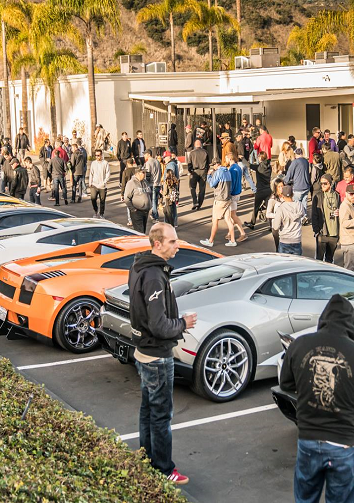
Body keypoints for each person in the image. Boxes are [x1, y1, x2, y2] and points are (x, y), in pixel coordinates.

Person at [279, 294, 354, 503]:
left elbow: (285, 384)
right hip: (344, 445)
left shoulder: (300, 344)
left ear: (324, 319)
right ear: (351, 322)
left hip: (308, 440)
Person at [128, 222, 197, 486]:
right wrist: (183, 323)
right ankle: (164, 468)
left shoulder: (139, 267)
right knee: (161, 415)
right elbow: (159, 325)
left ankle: (146, 458)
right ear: (157, 244)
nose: (177, 246)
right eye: (172, 242)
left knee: (148, 410)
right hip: (157, 356)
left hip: (143, 351)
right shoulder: (154, 275)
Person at [202, 159, 235, 248]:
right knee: (228, 220)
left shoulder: (218, 172)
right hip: (228, 198)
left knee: (215, 221)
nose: (213, 167)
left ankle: (210, 241)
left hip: (220, 199)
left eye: (214, 165)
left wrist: (209, 175)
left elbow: (212, 184)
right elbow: (230, 186)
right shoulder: (227, 171)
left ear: (216, 164)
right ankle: (232, 240)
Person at [269, 184, 306, 255]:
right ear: (292, 194)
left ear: (282, 196)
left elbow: (276, 226)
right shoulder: (299, 205)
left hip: (284, 241)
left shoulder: (281, 208)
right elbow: (303, 215)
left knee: (284, 264)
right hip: (296, 240)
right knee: (296, 264)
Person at [311, 174, 340, 263]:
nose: (322, 185)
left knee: (329, 259)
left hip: (334, 232)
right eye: (321, 183)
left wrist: (340, 212)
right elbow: (314, 214)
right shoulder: (318, 196)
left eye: (325, 183)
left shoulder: (337, 196)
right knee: (319, 259)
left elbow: (341, 209)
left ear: (330, 184)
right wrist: (316, 231)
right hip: (322, 232)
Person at [246, 150, 273, 230]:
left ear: (260, 158)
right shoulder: (269, 167)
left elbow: (249, 165)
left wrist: (242, 158)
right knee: (270, 208)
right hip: (268, 189)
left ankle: (252, 223)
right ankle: (272, 226)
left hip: (260, 190)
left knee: (256, 207)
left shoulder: (258, 167)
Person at [338, 185, 354, 271]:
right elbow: (344, 223)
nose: (353, 196)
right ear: (346, 194)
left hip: (351, 241)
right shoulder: (345, 206)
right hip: (349, 242)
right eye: (351, 194)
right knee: (349, 269)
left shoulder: (350, 205)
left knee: (349, 267)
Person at [225, 152, 247, 242]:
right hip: (238, 192)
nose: (225, 160)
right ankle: (230, 232)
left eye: (226, 158)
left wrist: (228, 194)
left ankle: (242, 233)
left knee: (232, 215)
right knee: (232, 214)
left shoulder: (231, 169)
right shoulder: (238, 167)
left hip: (233, 194)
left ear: (230, 159)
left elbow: (231, 184)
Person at [124, 166, 151, 233]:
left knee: (143, 230)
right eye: (143, 172)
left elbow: (150, 193)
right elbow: (126, 198)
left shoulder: (145, 182)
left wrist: (150, 204)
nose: (145, 174)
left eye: (145, 172)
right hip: (137, 211)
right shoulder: (131, 183)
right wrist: (133, 209)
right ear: (137, 173)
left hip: (145, 211)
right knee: (139, 231)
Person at [87, 149, 110, 218]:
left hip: (102, 185)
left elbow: (108, 174)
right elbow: (91, 173)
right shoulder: (93, 163)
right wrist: (90, 182)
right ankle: (95, 211)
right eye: (96, 155)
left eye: (98, 155)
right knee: (93, 198)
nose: (97, 157)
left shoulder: (105, 163)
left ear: (101, 155)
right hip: (94, 184)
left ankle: (101, 213)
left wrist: (104, 182)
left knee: (102, 200)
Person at [187, 139, 209, 210]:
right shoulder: (205, 152)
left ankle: (195, 201)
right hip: (203, 171)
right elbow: (208, 163)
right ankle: (199, 204)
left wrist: (190, 171)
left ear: (194, 145)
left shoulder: (192, 153)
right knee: (202, 189)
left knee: (192, 187)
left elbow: (189, 164)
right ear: (201, 145)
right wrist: (206, 171)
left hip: (194, 171)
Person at [144, 149, 162, 221]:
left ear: (148, 154)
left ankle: (155, 216)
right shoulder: (157, 161)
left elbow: (148, 174)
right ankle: (154, 213)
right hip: (158, 183)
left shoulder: (148, 162)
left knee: (153, 201)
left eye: (145, 154)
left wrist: (146, 184)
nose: (144, 155)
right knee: (156, 201)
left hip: (152, 184)